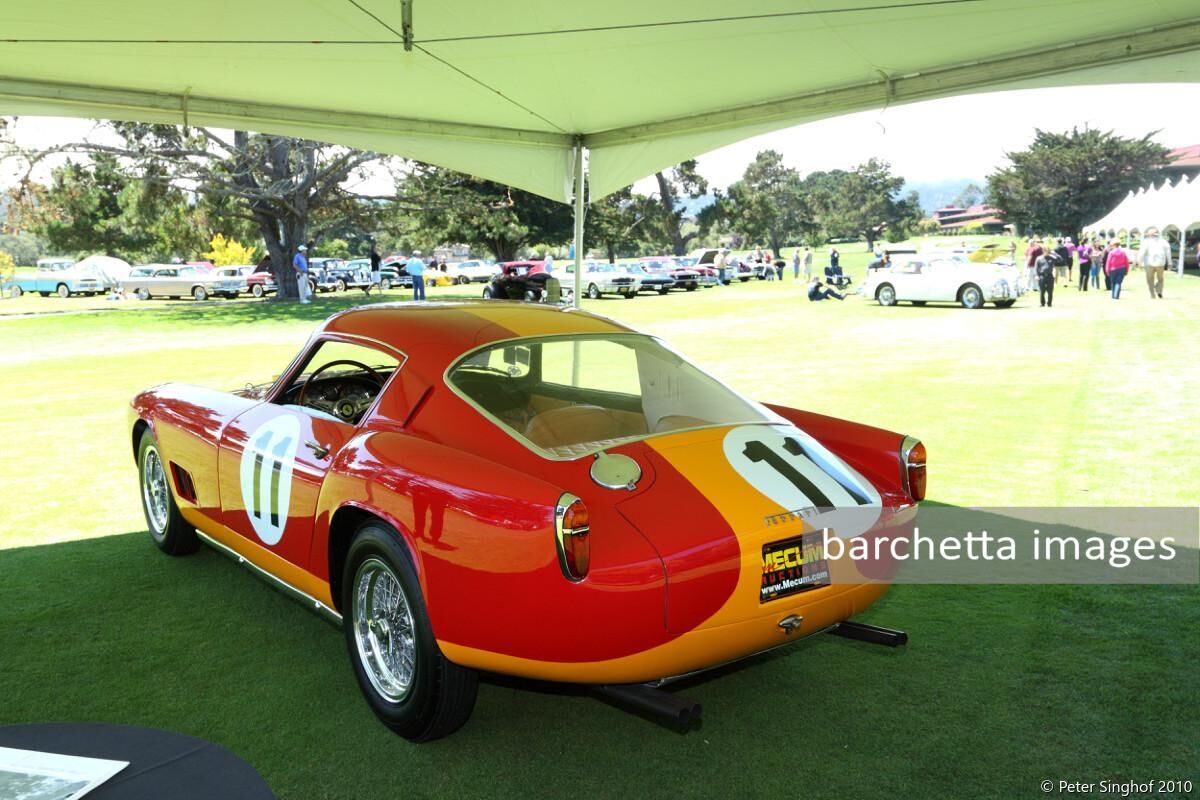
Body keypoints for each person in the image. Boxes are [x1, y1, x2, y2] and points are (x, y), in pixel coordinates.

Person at [1139, 226, 1170, 298]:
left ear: (1149, 235)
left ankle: (1152, 294)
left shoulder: (1146, 241)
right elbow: (1168, 252)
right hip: (1161, 263)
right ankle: (1159, 290)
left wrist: (1140, 262)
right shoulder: (1163, 241)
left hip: (1149, 263)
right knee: (1160, 279)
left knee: (1150, 279)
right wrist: (1170, 262)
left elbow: (1142, 253)